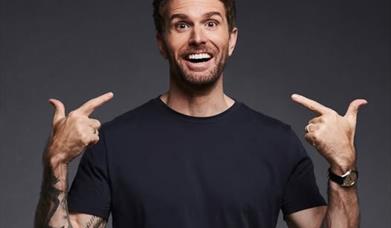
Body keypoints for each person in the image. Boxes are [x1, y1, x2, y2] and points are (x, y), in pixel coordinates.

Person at [34, 0, 367, 227]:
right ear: (162, 43)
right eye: (181, 25)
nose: (198, 38)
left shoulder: (277, 143)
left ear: (231, 39)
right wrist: (56, 164)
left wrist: (343, 168)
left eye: (211, 22)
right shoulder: (112, 143)